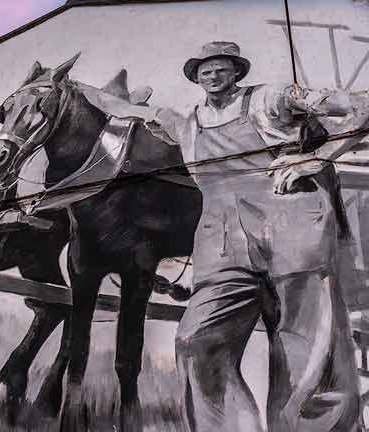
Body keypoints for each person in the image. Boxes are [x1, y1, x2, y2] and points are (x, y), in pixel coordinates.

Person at [83, 41, 367, 431]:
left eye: (221, 68)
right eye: (205, 70)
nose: (213, 76)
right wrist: (74, 90)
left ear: (236, 71)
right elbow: (131, 110)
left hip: (294, 235)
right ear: (196, 77)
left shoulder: (273, 99)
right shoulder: (188, 124)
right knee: (197, 340)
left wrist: (317, 157)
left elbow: (360, 109)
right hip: (224, 250)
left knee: (307, 354)